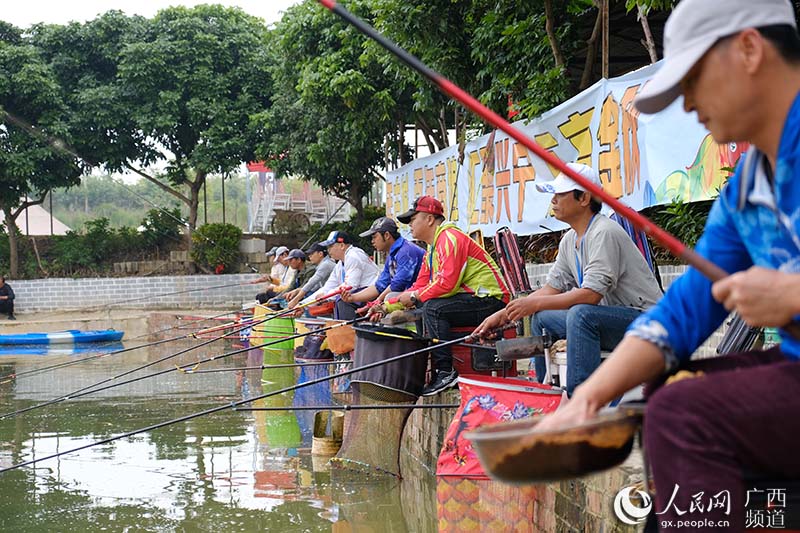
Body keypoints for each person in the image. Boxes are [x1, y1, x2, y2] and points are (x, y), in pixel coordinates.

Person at [536, 1, 800, 530]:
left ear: (749, 49)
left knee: (684, 412)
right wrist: (588, 397)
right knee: (669, 394)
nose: (688, 104)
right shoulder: (748, 186)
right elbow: (681, 311)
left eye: (694, 80)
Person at [475, 163, 662, 395]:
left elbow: (590, 295)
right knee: (542, 319)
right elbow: (552, 288)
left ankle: (578, 398)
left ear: (583, 198)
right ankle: (547, 391)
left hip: (647, 324)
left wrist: (534, 303)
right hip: (610, 320)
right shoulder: (569, 240)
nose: (553, 200)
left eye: (560, 194)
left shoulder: (604, 232)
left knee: (581, 315)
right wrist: (505, 314)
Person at [392, 196, 510, 396]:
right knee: (424, 309)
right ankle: (434, 371)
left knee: (433, 309)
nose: (410, 225)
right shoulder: (432, 247)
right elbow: (421, 283)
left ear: (429, 219)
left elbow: (447, 285)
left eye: (413, 219)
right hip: (470, 300)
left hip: (492, 300)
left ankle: (446, 371)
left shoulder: (450, 238)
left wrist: (414, 297)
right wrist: (388, 306)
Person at [340, 216, 425, 311]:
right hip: (410, 295)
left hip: (421, 297)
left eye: (374, 237)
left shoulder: (406, 251)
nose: (372, 241)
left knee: (389, 297)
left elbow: (397, 284)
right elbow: (380, 286)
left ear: (387, 235)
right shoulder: (392, 255)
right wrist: (352, 298)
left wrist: (378, 301)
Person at [309, 231, 379, 320]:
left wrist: (327, 296)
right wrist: (302, 305)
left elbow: (350, 286)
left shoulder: (353, 256)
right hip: (361, 294)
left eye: (331, 246)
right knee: (336, 299)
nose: (328, 250)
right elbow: (327, 287)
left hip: (372, 294)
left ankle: (348, 332)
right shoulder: (340, 264)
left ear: (342, 245)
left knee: (341, 300)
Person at [286, 243, 336, 309]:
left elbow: (311, 283)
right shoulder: (322, 265)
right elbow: (315, 286)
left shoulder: (326, 265)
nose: (309, 256)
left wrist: (295, 300)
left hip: (333, 297)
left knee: (308, 293)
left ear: (320, 254)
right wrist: (297, 290)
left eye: (312, 254)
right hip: (328, 295)